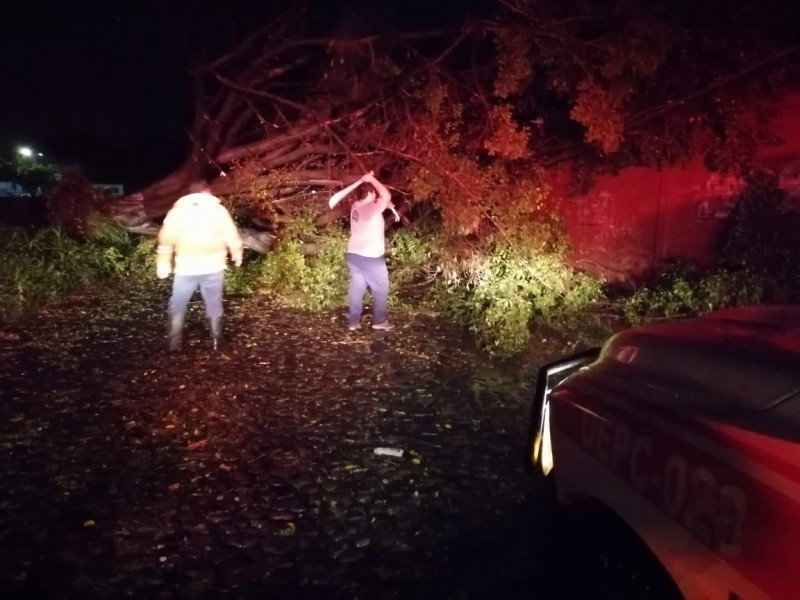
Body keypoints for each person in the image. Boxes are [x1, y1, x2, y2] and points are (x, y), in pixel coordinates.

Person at [156, 181, 243, 351]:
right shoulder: (218, 211)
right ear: (206, 191)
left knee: (178, 303)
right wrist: (237, 253)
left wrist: (163, 263)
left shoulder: (178, 212)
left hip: (186, 267)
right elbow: (231, 234)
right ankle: (216, 341)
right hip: (214, 265)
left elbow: (166, 239)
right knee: (214, 302)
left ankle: (174, 343)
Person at [328, 171, 400, 331]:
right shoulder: (370, 207)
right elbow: (386, 195)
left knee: (357, 287)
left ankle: (353, 322)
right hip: (370, 257)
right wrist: (372, 179)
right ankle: (379, 321)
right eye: (374, 191)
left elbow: (380, 204)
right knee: (381, 288)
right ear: (370, 192)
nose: (376, 193)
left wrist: (385, 205)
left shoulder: (357, 206)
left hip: (354, 256)